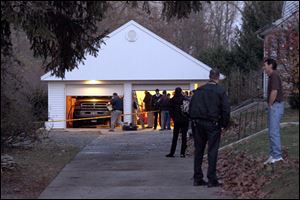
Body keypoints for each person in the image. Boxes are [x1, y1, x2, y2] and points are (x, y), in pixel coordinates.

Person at [189, 69, 230, 187]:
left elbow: (191, 107)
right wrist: (224, 124)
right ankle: (212, 178)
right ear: (218, 78)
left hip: (198, 123)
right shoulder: (220, 91)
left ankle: (197, 177)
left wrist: (193, 121)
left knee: (199, 150)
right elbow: (226, 109)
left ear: (209, 76)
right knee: (212, 151)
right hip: (213, 123)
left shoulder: (199, 90)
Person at [263, 58, 284, 165]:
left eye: (265, 65)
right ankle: (272, 155)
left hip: (276, 106)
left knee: (274, 131)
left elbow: (274, 91)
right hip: (275, 106)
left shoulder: (274, 75)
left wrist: (270, 104)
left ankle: (277, 156)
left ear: (270, 65)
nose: (264, 67)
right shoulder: (272, 76)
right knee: (271, 131)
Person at [166, 87, 189, 158]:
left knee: (175, 137)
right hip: (185, 120)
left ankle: (172, 153)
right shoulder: (185, 99)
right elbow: (188, 110)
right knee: (184, 137)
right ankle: (182, 153)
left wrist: (174, 118)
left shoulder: (172, 100)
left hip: (177, 121)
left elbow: (170, 111)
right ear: (181, 91)